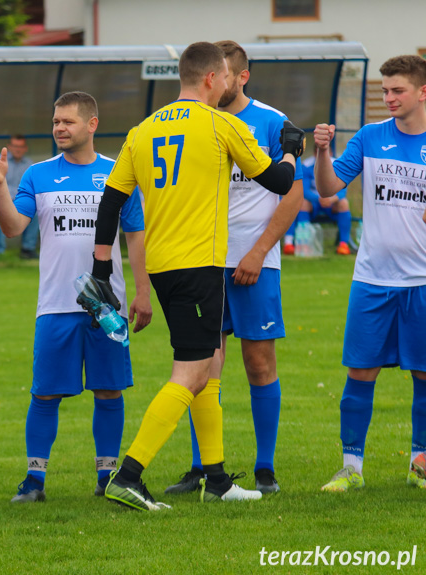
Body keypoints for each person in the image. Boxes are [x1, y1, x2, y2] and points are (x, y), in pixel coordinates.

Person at [93, 41, 300, 511]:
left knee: (207, 368)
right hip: (200, 265)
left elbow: (111, 201)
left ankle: (218, 478)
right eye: (225, 75)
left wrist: (101, 266)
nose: (228, 82)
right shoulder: (221, 122)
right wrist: (291, 150)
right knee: (189, 373)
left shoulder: (142, 130)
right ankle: (129, 474)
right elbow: (279, 182)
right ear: (212, 78)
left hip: (164, 266)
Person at [0, 91, 149, 502]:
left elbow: (136, 237)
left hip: (107, 304)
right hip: (56, 304)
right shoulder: (38, 175)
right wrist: (1, 186)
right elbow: (11, 228)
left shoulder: (118, 174)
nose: (59, 127)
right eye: (56, 121)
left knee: (110, 390)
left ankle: (106, 477)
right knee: (45, 393)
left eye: (68, 121)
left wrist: (142, 291)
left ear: (91, 124)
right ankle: (34, 481)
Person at [163, 41, 304, 496]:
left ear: (240, 76)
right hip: (202, 261)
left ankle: (265, 469)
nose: (215, 82)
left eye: (223, 75)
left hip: (254, 261)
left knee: (258, 362)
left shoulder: (272, 122)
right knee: (200, 365)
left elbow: (292, 193)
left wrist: (259, 251)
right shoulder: (190, 121)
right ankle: (203, 468)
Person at [315, 55, 426, 492]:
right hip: (372, 280)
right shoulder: (369, 137)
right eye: (384, 90)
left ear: (422, 92)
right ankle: (351, 468)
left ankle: (420, 462)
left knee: (423, 375)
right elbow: (327, 190)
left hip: (422, 282)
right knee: (359, 373)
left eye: (397, 90)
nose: (388, 98)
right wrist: (323, 151)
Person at [282, 151, 353, 255]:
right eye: (322, 152)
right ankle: (304, 243)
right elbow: (304, 190)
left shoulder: (337, 164)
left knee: (344, 203)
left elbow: (343, 189)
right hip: (314, 202)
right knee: (302, 203)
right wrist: (319, 198)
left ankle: (343, 244)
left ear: (331, 153)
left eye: (327, 152)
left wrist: (332, 199)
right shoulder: (306, 166)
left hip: (331, 202)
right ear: (316, 154)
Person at [0, 135, 35, 259]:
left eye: (21, 147)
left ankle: (27, 249)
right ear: (9, 147)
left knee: (37, 212)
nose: (18, 149)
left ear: (25, 148)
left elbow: (30, 189)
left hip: (19, 200)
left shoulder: (29, 165)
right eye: (15, 146)